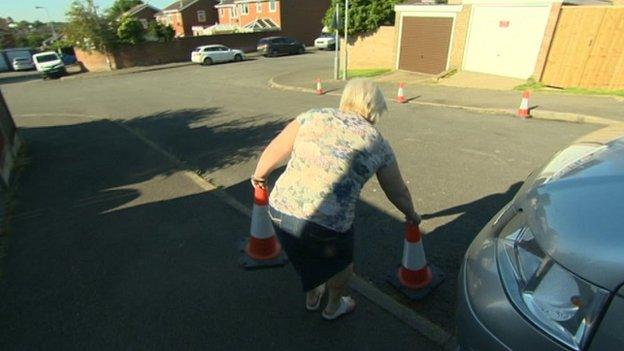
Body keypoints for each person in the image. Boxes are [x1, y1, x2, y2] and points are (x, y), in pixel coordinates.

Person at [251, 79, 420, 320]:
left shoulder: (312, 116)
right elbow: (397, 191)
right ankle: (334, 305)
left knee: (302, 254)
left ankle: (312, 295)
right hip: (328, 223)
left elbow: (275, 149)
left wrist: (259, 176)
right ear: (375, 109)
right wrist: (412, 214)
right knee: (340, 265)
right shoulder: (377, 142)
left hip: (281, 209)